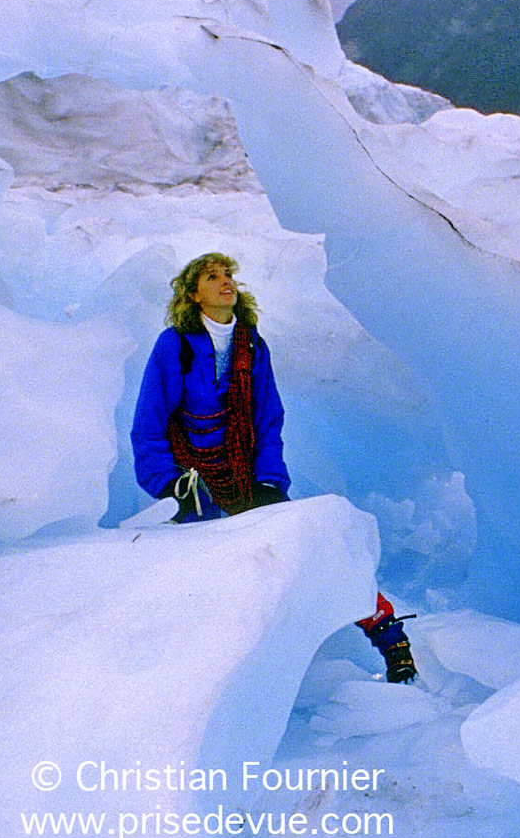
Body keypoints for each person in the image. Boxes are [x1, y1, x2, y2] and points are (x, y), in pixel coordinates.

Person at [131, 252, 416, 683]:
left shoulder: (250, 344)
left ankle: (387, 633)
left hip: (247, 476)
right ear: (193, 294)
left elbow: (268, 418)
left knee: (306, 551)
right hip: (194, 482)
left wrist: (269, 480)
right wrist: (169, 484)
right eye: (212, 276)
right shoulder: (174, 346)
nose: (226, 282)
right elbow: (149, 423)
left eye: (229, 274)